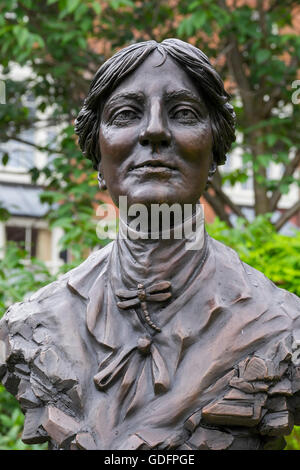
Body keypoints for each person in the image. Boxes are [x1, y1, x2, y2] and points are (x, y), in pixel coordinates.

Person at [1, 39, 300, 451]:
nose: (155, 130)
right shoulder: (33, 324)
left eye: (183, 113)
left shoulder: (282, 326)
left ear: (214, 152)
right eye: (126, 114)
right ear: (98, 157)